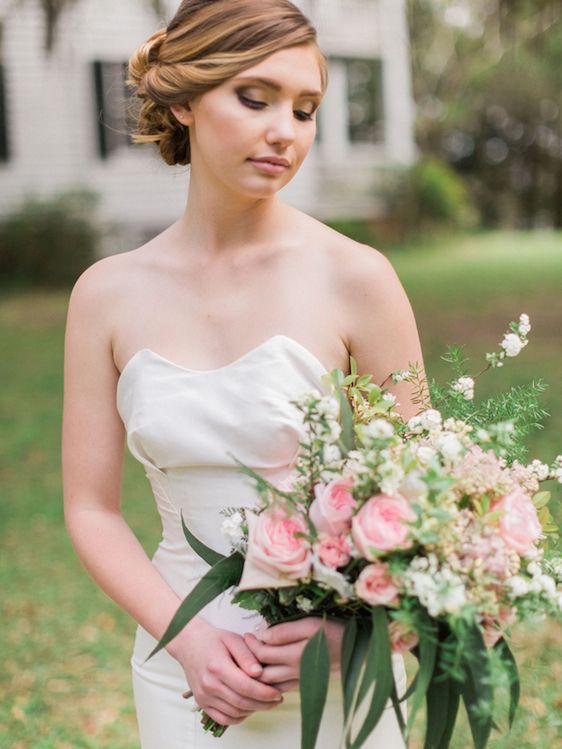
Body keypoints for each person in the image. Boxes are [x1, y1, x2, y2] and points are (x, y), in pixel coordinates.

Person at [62, 1, 425, 747]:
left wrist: (353, 626)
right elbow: (91, 509)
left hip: (337, 664)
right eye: (255, 98)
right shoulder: (104, 294)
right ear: (187, 99)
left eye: (306, 108)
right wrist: (187, 639)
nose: (285, 131)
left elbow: (424, 498)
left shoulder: (358, 278)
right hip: (183, 670)